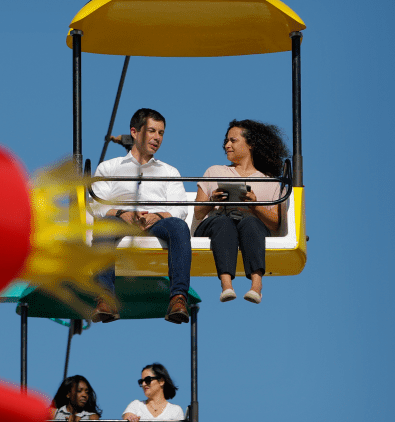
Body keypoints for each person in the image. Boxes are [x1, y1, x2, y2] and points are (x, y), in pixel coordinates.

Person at [90, 108, 192, 324]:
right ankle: (105, 299)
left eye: (161, 133)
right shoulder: (109, 167)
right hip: (119, 219)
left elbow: (180, 208)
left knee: (179, 228)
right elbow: (97, 204)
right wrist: (122, 213)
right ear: (135, 132)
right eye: (152, 131)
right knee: (105, 226)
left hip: (156, 221)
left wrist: (157, 215)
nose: (157, 138)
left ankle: (178, 298)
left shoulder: (169, 171)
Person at [193, 119, 289, 304]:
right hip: (217, 223)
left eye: (233, 141)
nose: (227, 145)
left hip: (249, 225)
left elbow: (275, 224)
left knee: (251, 223)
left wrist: (255, 206)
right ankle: (226, 285)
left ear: (250, 144)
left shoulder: (269, 182)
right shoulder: (214, 171)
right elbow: (198, 212)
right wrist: (213, 200)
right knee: (224, 223)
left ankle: (256, 286)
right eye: (226, 142)